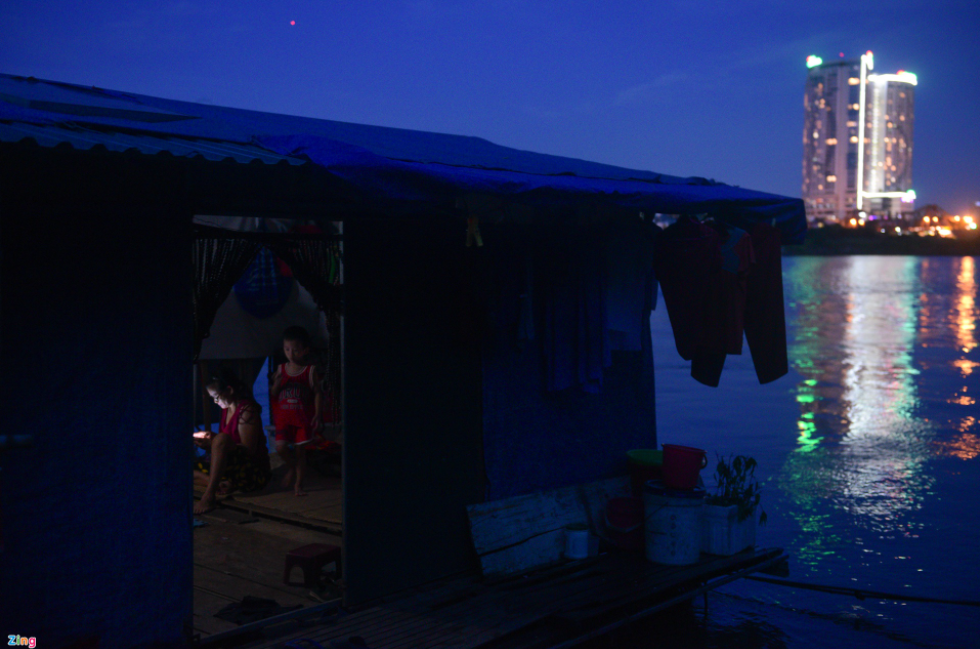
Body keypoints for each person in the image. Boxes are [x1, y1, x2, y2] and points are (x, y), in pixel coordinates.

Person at [193, 369, 272, 514]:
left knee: (221, 439)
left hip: (251, 472)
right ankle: (218, 484)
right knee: (188, 467)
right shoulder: (226, 408)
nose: (216, 402)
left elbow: (248, 451)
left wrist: (216, 442)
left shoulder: (246, 410)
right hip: (231, 471)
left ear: (229, 390)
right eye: (213, 399)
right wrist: (211, 441)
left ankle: (209, 494)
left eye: (217, 397)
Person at [271, 326, 323, 496]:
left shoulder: (310, 371)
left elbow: (317, 392)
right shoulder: (281, 369)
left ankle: (298, 486)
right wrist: (277, 383)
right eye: (287, 349)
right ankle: (291, 468)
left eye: (295, 350)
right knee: (280, 448)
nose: (290, 354)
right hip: (284, 419)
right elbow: (273, 394)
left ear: (305, 351)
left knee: (301, 452)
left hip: (301, 419)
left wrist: (317, 414)